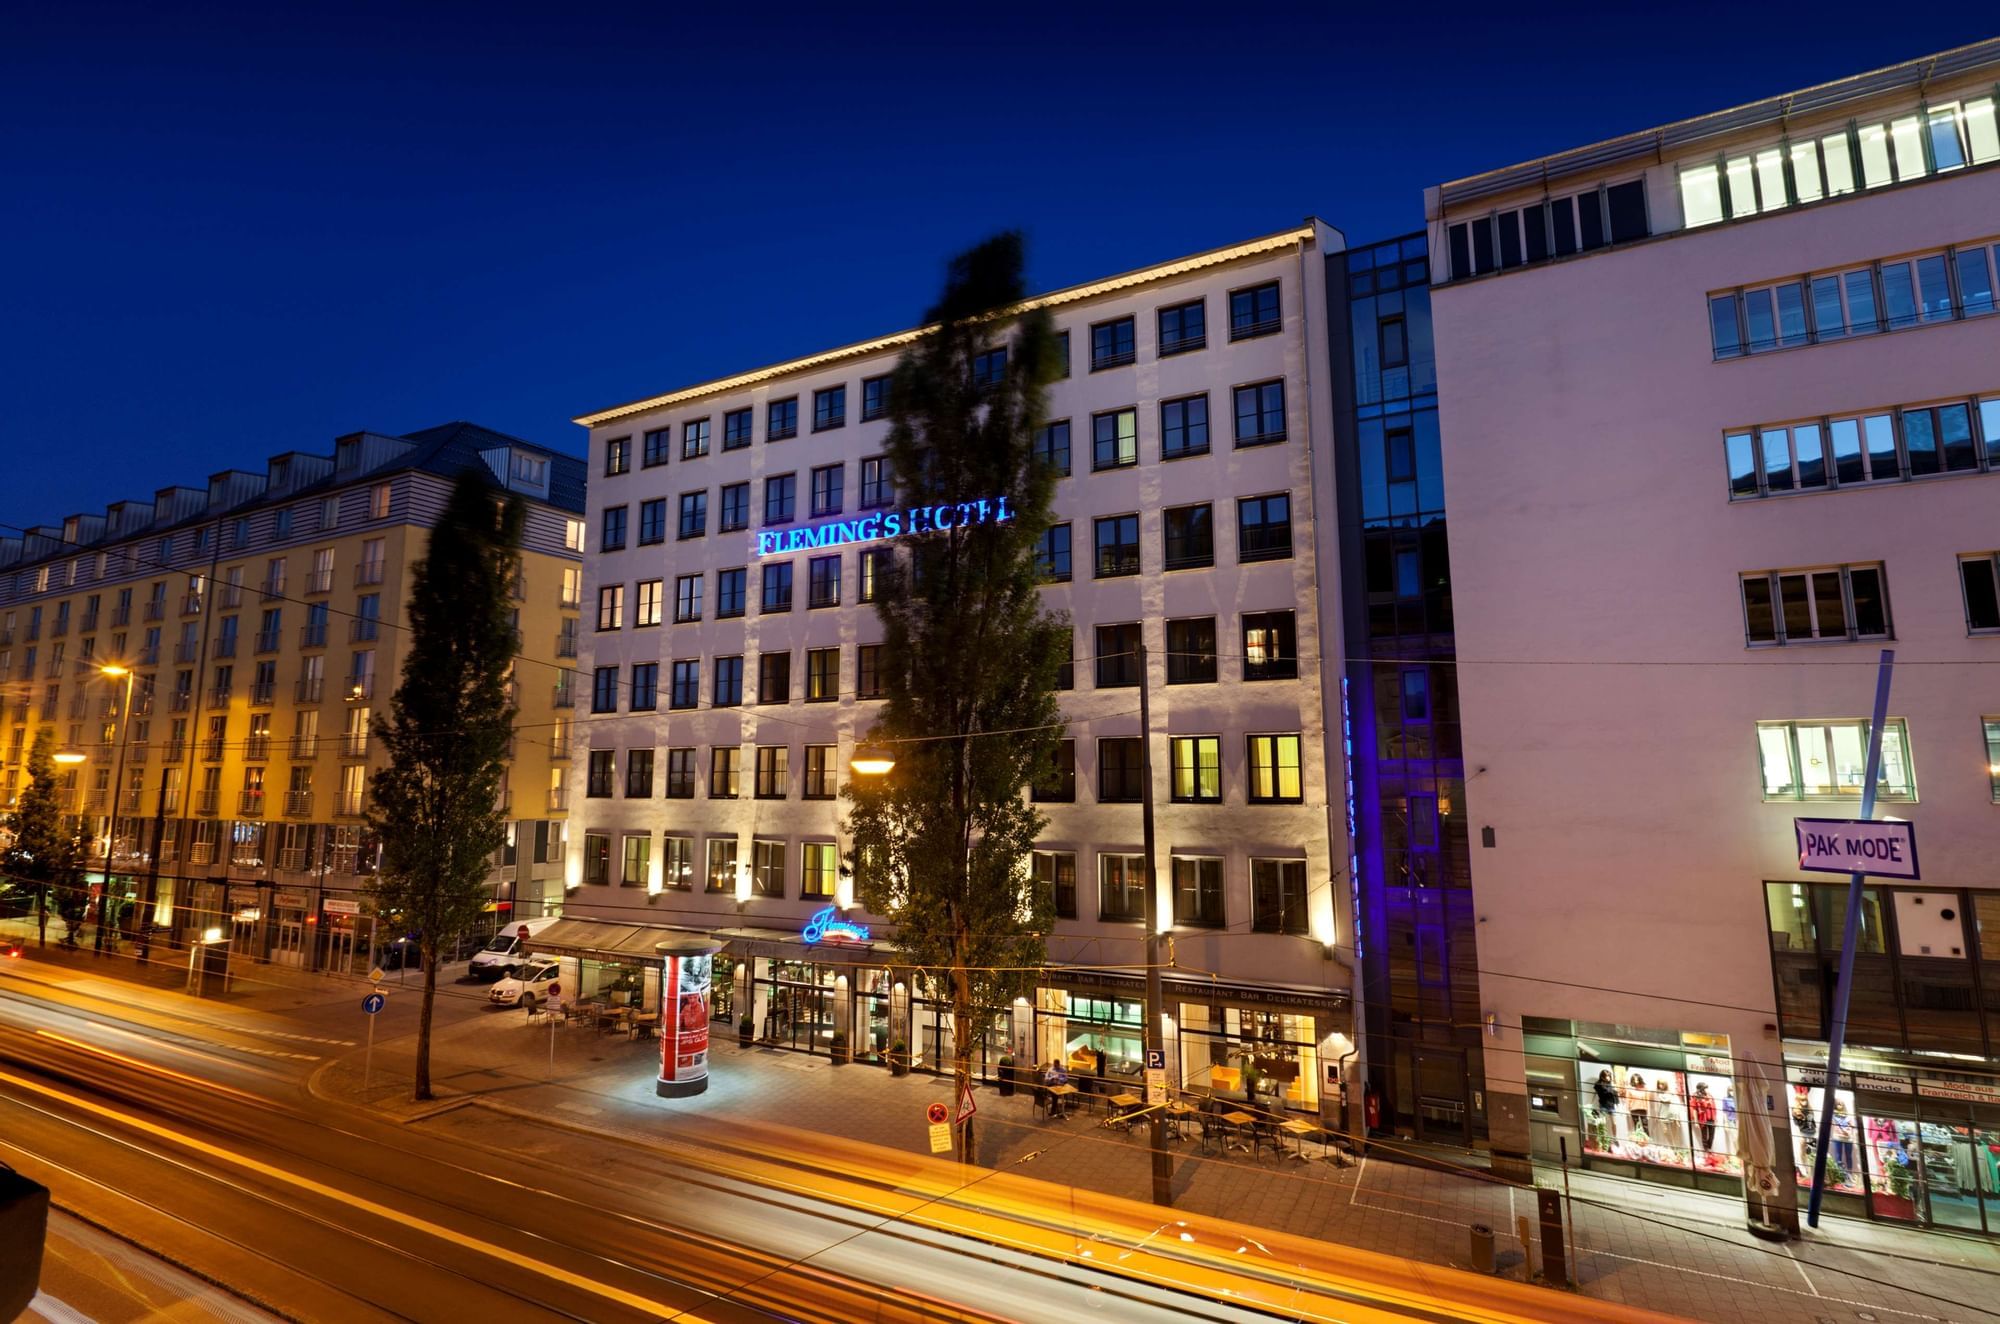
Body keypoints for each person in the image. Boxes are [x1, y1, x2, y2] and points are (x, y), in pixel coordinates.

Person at [1690, 1082, 1718, 1152]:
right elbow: (1694, 1109)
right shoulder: (1696, 1097)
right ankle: (1706, 1151)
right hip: (1703, 1119)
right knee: (1704, 1136)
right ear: (1701, 1089)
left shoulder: (1710, 1096)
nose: (1706, 1090)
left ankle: (1709, 1148)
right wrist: (1696, 1122)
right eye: (1705, 1088)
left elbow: (1714, 1107)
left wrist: (1715, 1118)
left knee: (1712, 1136)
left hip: (1711, 1118)